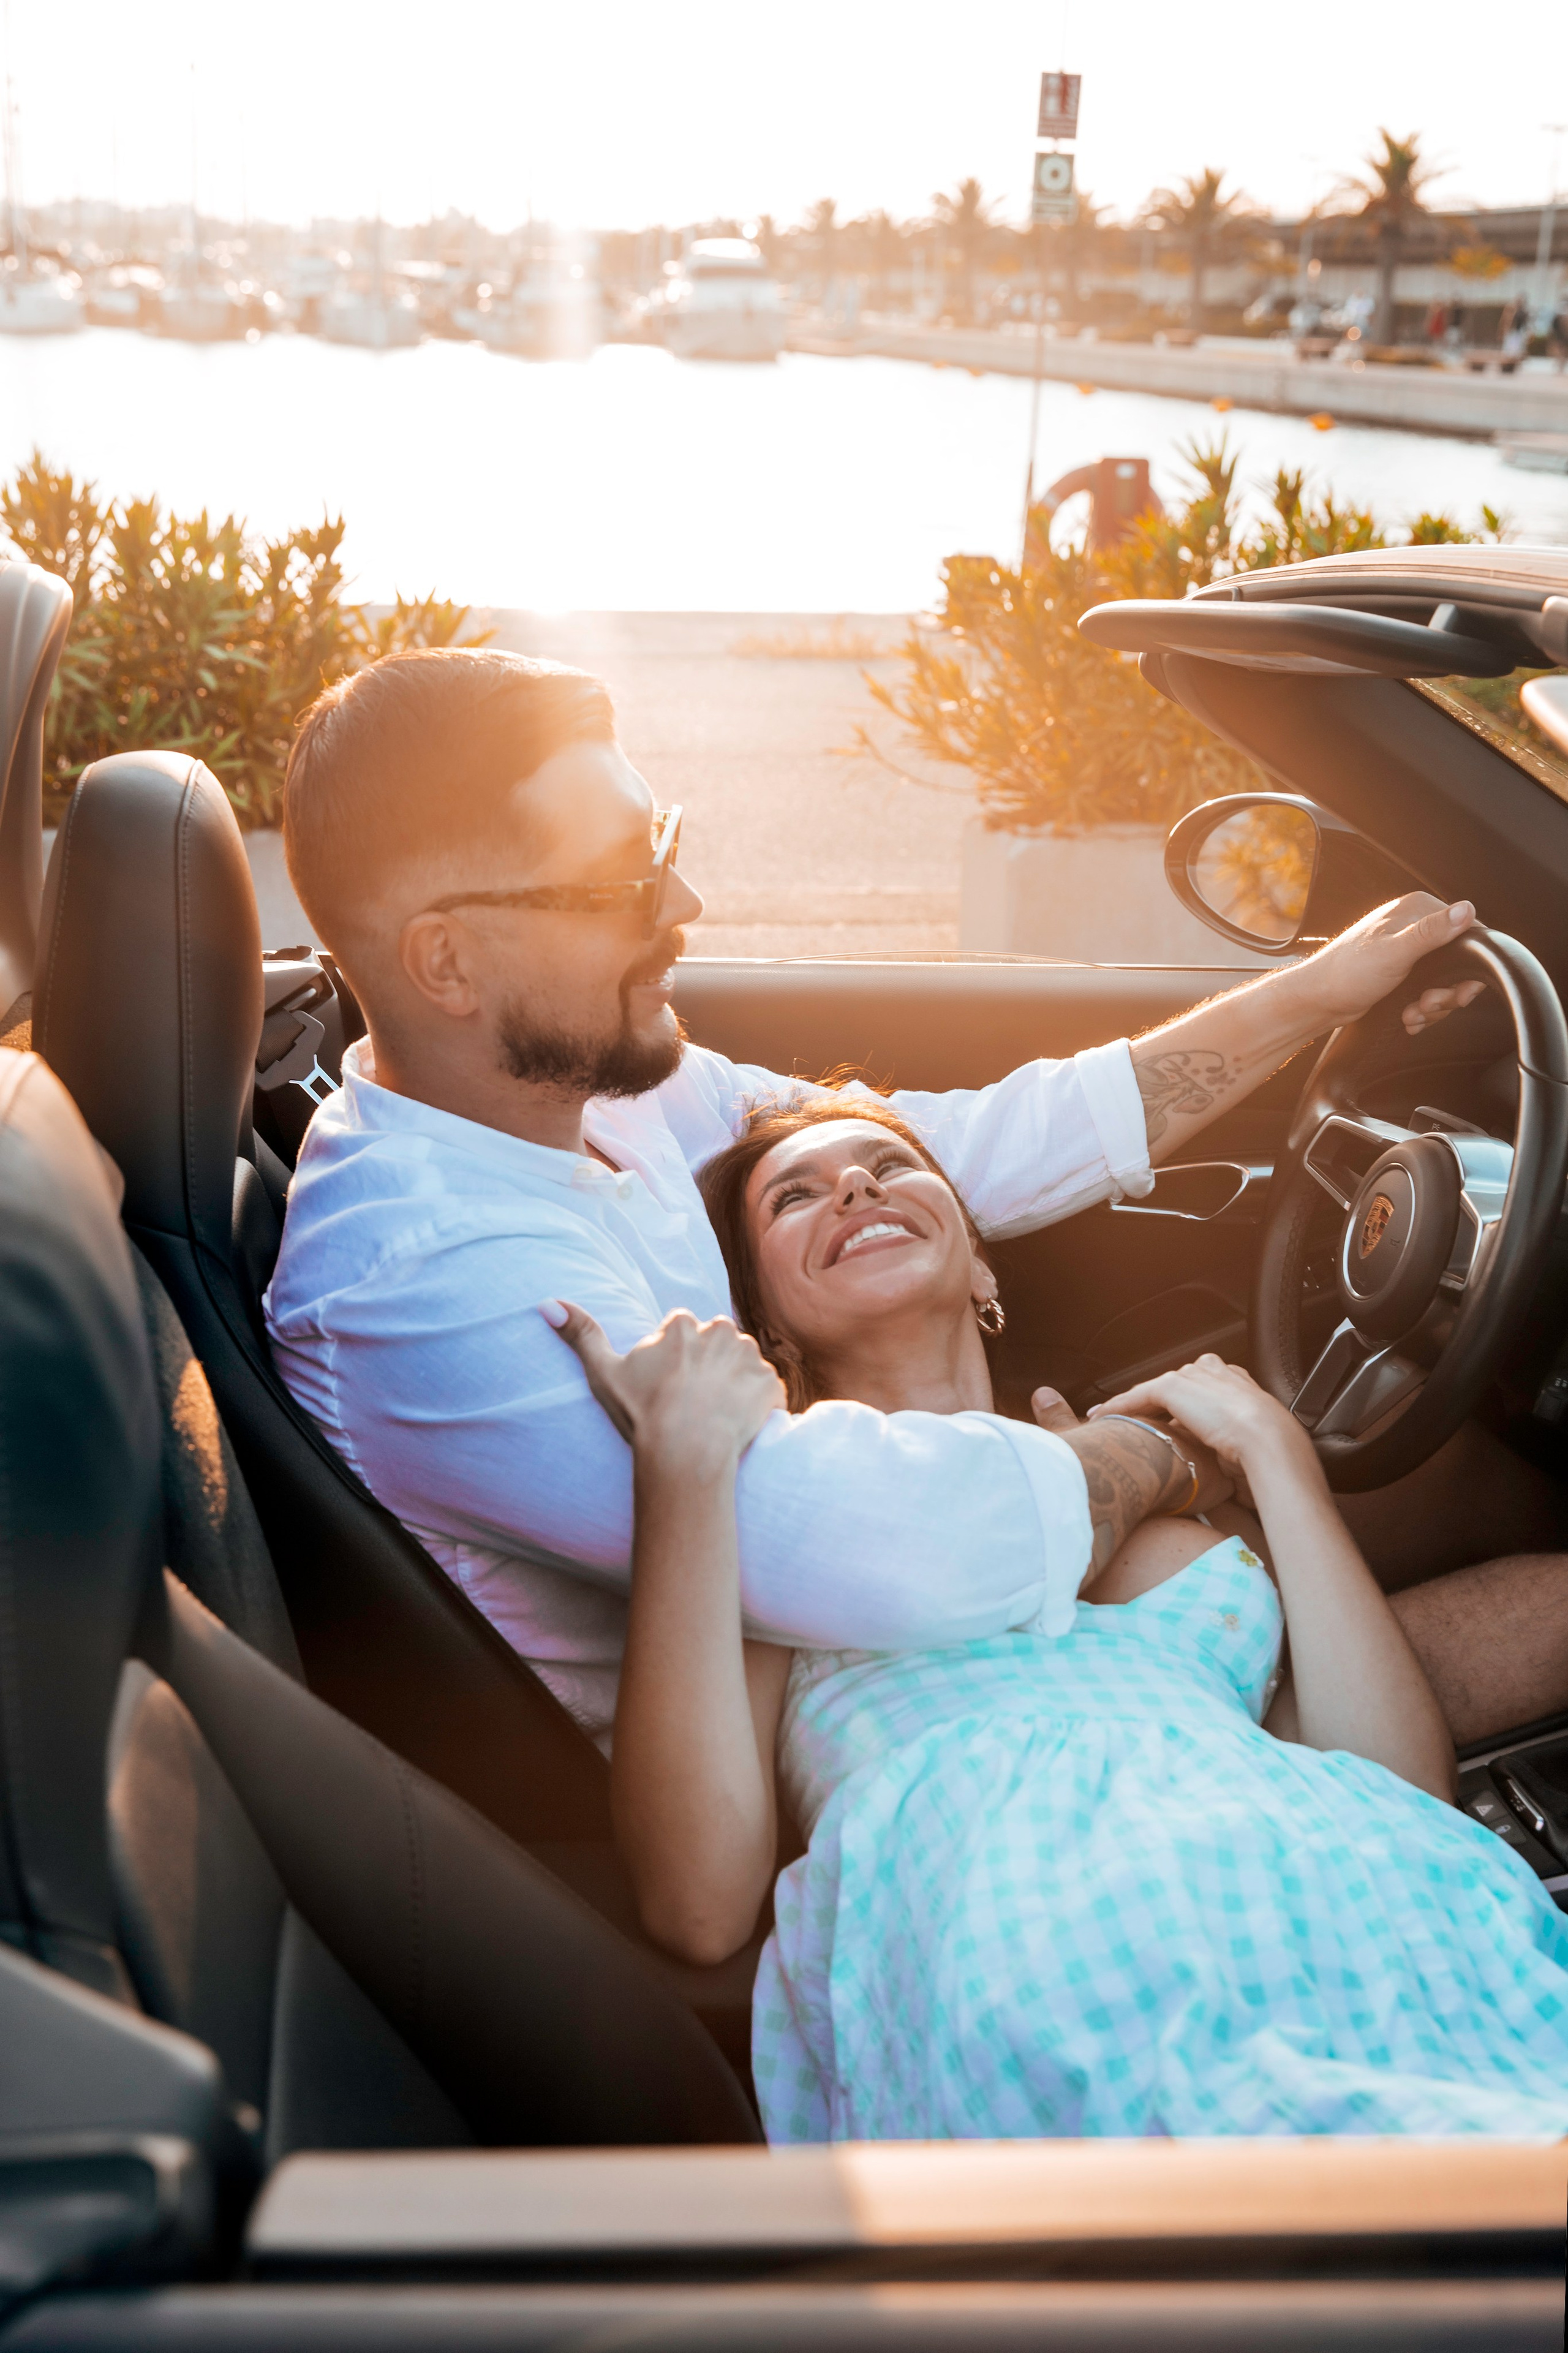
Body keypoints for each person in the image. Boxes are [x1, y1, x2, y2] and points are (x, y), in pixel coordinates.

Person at [266, 647, 1521, 1754]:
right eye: (614, 882)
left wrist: (1308, 998)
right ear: (447, 962)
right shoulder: (423, 1273)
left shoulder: (600, 1090)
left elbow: (954, 1145)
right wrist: (1186, 1448)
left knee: (1471, 1476)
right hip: (843, 1729)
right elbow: (881, 1541)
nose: (683, 910)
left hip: (920, 1612)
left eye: (664, 846)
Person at [550, 1097, 1568, 2141]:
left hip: (1371, 1918)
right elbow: (699, 1902)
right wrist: (684, 1468)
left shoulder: (1164, 1483)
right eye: (795, 1198)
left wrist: (1278, 1459)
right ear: (765, 1321)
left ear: (983, 1269)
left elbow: (1395, 1786)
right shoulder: (793, 1536)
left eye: (888, 1164)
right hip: (1064, 1959)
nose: (855, 1188)